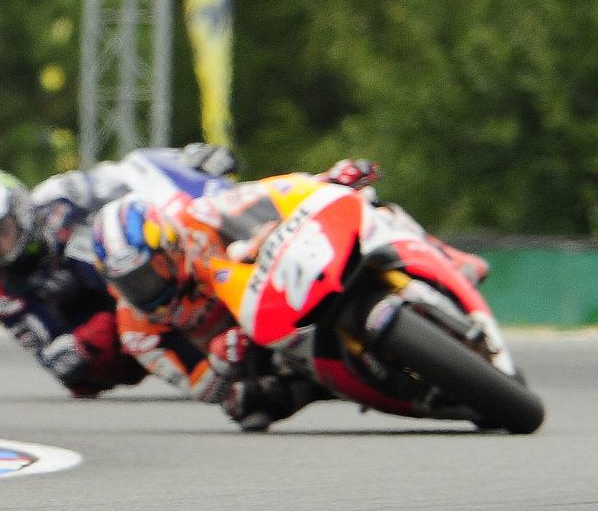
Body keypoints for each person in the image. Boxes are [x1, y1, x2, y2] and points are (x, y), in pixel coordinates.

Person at [91, 158, 489, 431]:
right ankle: (341, 384)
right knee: (246, 406)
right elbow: (197, 386)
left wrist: (328, 182)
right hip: (256, 349)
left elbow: (274, 193)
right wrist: (219, 362)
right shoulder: (136, 330)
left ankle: (445, 258)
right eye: (131, 284)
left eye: (149, 273)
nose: (146, 288)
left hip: (282, 282)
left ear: (170, 247)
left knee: (368, 205)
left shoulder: (202, 218)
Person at [0, 144, 237, 398]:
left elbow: (133, 170)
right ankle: (197, 364)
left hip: (149, 264)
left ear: (19, 207)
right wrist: (81, 331)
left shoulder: (60, 194)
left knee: (119, 233)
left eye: (2, 233)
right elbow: (62, 363)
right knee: (76, 361)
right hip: (113, 328)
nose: (0, 248)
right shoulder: (0, 291)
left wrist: (186, 162)